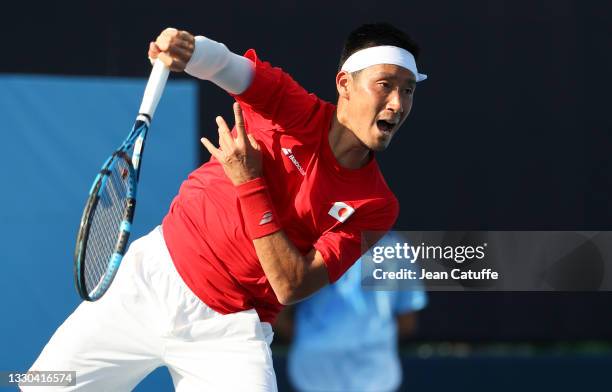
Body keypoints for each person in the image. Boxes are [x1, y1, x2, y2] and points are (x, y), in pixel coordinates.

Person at [25, 22, 427, 391]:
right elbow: (228, 67)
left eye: (408, 90)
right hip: (150, 280)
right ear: (345, 84)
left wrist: (249, 183)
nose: (397, 103)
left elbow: (292, 284)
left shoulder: (376, 206)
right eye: (385, 85)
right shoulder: (287, 105)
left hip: (232, 330)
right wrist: (189, 49)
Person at [276, 232, 427, 392]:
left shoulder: (306, 242)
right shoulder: (395, 245)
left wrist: (314, 338)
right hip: (365, 368)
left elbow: (280, 313)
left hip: (322, 366)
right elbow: (407, 321)